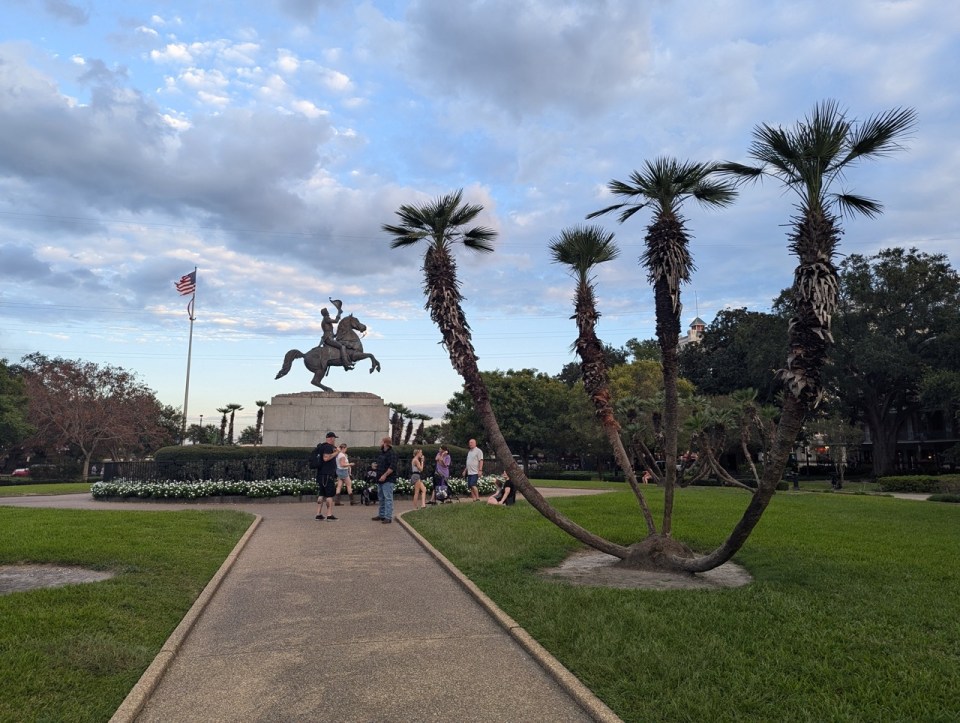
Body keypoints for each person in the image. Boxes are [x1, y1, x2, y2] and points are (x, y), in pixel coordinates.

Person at [314, 432, 340, 521]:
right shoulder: (328, 447)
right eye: (334, 438)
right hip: (327, 474)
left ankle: (318, 513)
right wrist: (336, 452)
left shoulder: (321, 446)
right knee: (329, 495)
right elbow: (326, 458)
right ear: (331, 438)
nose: (335, 440)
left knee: (321, 493)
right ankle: (329, 514)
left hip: (321, 474)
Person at [373, 436, 399, 524]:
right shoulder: (381, 452)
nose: (380, 443)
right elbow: (380, 463)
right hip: (380, 478)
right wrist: (375, 466)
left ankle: (388, 517)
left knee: (388, 498)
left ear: (385, 443)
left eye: (381, 441)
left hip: (388, 479)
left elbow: (392, 467)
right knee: (381, 498)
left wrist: (385, 475)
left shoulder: (392, 453)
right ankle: (381, 515)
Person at [320, 305, 354, 370]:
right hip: (328, 338)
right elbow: (336, 321)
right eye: (327, 311)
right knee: (342, 346)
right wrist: (339, 313)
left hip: (330, 337)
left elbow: (330, 332)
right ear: (325, 313)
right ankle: (346, 363)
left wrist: (337, 334)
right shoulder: (326, 319)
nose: (328, 312)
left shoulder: (326, 319)